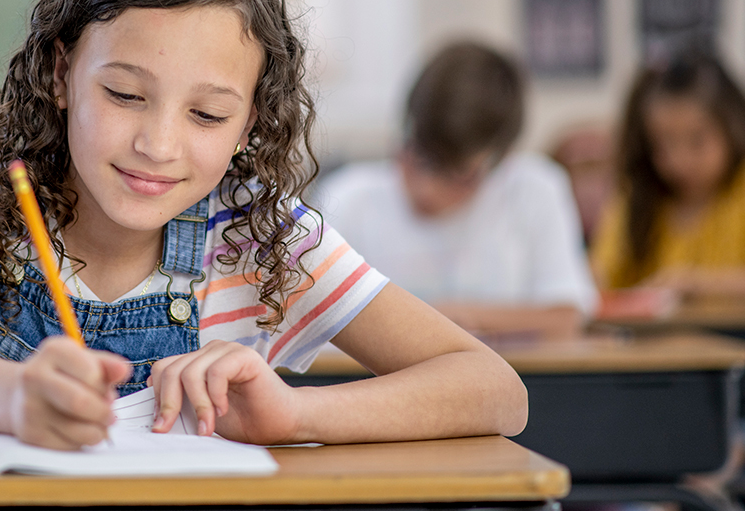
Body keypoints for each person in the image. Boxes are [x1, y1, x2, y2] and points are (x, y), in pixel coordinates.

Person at [0, 0, 527, 451]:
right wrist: (17, 396)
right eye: (125, 93)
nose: (157, 145)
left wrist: (296, 415)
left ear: (250, 122)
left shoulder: (261, 234)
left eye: (207, 114)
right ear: (61, 73)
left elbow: (496, 390)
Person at [314, 42, 597, 342]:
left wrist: (452, 318)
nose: (427, 190)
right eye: (419, 158)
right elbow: (312, 320)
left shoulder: (534, 190)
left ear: (500, 160)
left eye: (457, 175)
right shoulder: (347, 199)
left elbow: (568, 316)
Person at [591, 51, 745, 297]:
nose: (679, 161)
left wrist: (696, 284)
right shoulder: (639, 197)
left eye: (697, 141)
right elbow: (601, 276)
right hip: (652, 335)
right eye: (664, 144)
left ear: (733, 126)